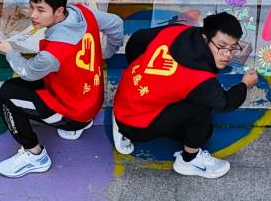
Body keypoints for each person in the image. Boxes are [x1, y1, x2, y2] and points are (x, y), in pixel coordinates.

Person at [0, 0, 124, 178]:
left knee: (6, 95)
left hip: (74, 113)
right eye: (32, 7)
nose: (33, 15)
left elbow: (27, 72)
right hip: (89, 99)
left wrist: (9, 52)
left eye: (40, 9)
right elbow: (116, 23)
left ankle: (35, 155)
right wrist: (107, 52)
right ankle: (80, 123)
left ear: (59, 10)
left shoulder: (53, 53)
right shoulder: (81, 12)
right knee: (44, 79)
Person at [111, 12, 259, 178]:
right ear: (205, 38)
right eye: (221, 46)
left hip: (126, 95)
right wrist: (245, 85)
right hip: (135, 126)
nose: (227, 54)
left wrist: (141, 68)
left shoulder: (177, 30)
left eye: (233, 48)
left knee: (204, 130)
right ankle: (189, 160)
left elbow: (137, 40)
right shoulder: (201, 79)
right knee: (203, 109)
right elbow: (225, 103)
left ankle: (122, 117)